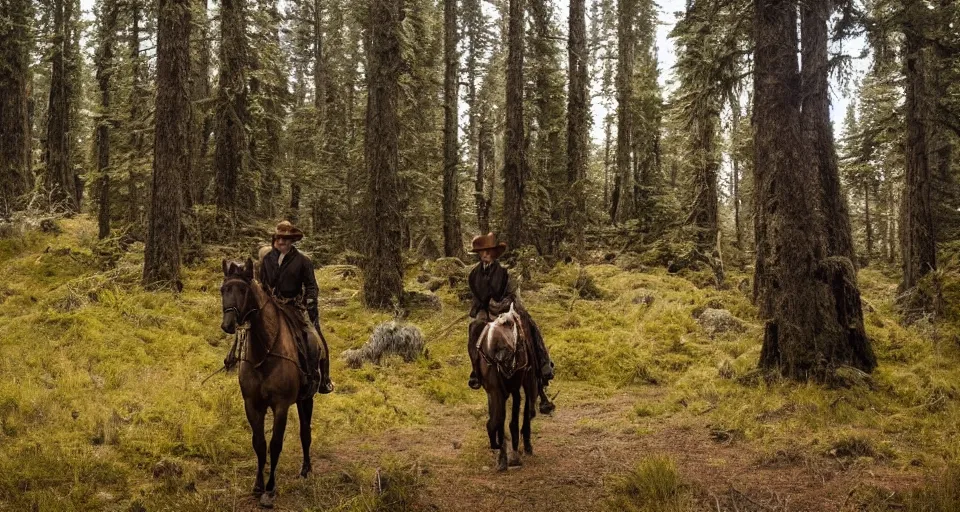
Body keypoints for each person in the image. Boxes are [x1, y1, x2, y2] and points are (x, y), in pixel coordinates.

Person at [224, 221, 333, 394]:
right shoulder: (267, 259)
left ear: (291, 241)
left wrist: (309, 300)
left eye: (285, 238)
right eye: (279, 238)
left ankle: (321, 378)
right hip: (271, 304)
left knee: (314, 337)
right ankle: (234, 357)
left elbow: (312, 286)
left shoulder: (303, 261)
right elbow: (263, 283)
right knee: (250, 325)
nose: (281, 241)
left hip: (293, 306)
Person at [466, 233, 556, 414]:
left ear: (494, 253)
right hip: (486, 311)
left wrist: (503, 305)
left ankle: (543, 364)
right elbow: (476, 298)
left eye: (488, 251)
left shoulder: (506, 272)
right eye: (482, 252)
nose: (485, 254)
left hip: (506, 308)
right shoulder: (474, 274)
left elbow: (512, 293)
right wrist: (481, 311)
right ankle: (476, 370)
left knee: (530, 325)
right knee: (474, 328)